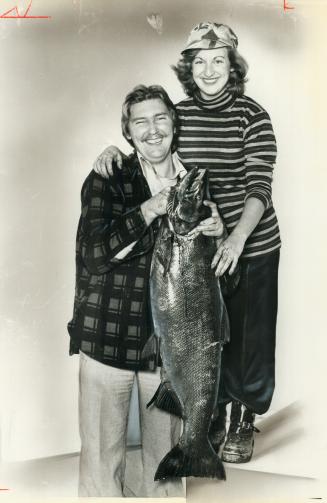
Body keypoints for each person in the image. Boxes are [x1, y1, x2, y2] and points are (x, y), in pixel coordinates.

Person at [93, 22, 281, 464]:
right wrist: (112, 153)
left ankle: (242, 420)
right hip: (196, 251)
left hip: (250, 247)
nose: (209, 69)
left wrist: (234, 240)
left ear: (233, 66)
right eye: (200, 60)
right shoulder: (180, 113)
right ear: (189, 67)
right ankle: (210, 414)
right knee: (208, 336)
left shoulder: (252, 116)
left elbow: (260, 188)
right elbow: (154, 146)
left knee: (249, 340)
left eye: (219, 60)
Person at [67, 84, 222, 497]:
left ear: (175, 124)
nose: (153, 130)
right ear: (129, 133)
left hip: (170, 355)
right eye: (141, 122)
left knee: (166, 476)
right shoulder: (108, 177)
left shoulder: (196, 187)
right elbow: (95, 255)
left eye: (160, 118)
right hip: (106, 339)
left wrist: (218, 240)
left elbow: (213, 288)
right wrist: (149, 209)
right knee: (101, 468)